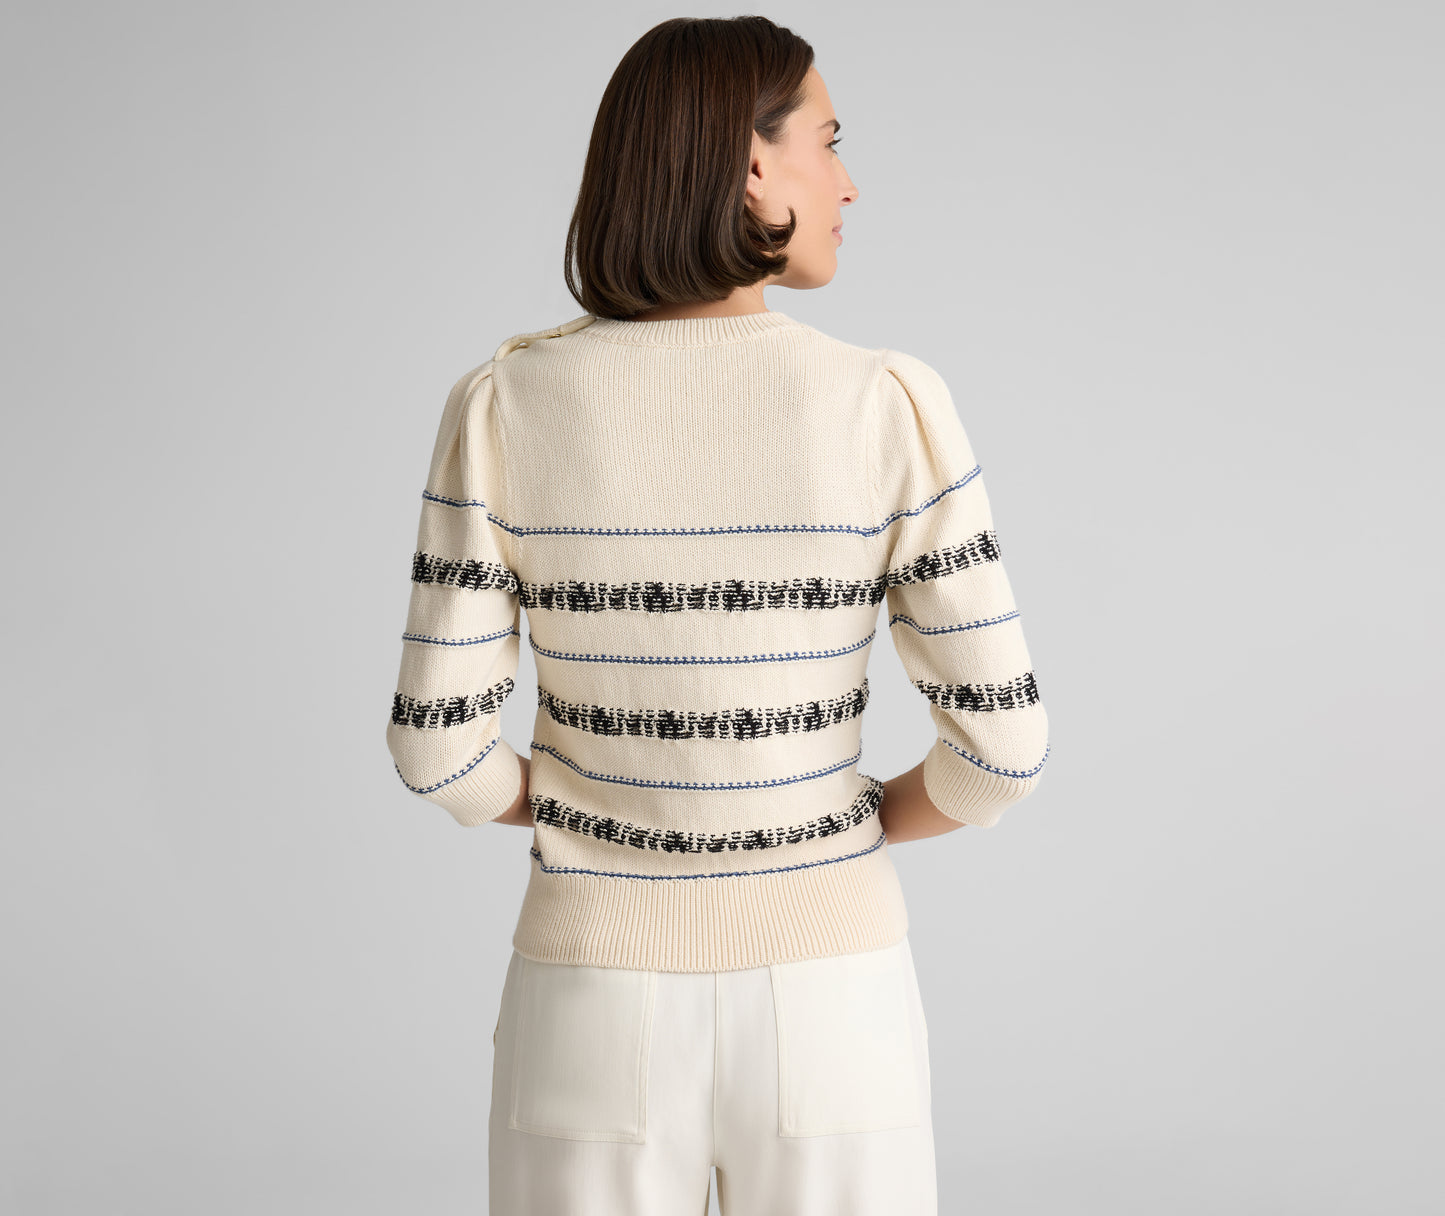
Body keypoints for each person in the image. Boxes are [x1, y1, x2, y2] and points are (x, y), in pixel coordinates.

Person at [384, 15, 1050, 1214]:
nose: (848, 182)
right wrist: (835, 827)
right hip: (832, 998)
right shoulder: (885, 403)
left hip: (589, 995)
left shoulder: (501, 405)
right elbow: (1002, 750)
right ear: (752, 166)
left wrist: (590, 809)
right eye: (828, 142)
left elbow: (436, 751)